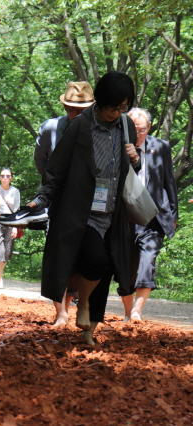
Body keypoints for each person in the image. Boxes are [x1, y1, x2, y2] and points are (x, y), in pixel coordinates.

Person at [24, 71, 140, 345]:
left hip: (114, 212)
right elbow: (56, 167)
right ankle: (82, 301)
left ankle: (89, 332)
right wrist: (42, 199)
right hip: (82, 211)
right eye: (113, 107)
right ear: (101, 101)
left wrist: (136, 159)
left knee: (106, 268)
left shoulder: (126, 126)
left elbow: (131, 168)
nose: (117, 113)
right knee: (96, 260)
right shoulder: (81, 127)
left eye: (123, 108)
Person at [34, 81, 95, 324]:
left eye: (81, 110)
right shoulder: (51, 128)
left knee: (84, 257)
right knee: (58, 255)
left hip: (89, 203)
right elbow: (42, 162)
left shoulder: (98, 131)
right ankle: (60, 312)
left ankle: (75, 306)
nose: (75, 114)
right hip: (59, 202)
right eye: (71, 109)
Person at [118, 108, 178, 322]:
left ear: (149, 128)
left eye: (141, 129)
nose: (138, 133)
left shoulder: (160, 147)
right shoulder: (117, 146)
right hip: (123, 217)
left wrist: (173, 214)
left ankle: (137, 311)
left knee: (148, 260)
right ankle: (127, 312)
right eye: (133, 129)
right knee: (125, 269)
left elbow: (169, 181)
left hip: (153, 215)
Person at [0, 167, 20, 288]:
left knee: (6, 253)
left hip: (11, 223)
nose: (5, 178)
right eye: (2, 176)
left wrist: (16, 226)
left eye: (7, 176)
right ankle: (0, 280)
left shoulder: (15, 192)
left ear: (11, 177)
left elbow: (17, 210)